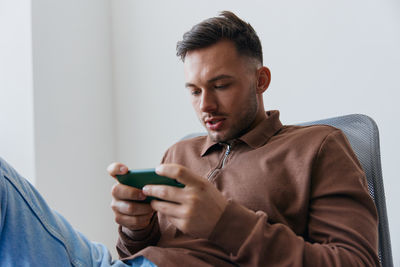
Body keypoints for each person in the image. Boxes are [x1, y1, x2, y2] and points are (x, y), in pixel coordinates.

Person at [0, 11, 379, 267]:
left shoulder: (318, 147)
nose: (206, 105)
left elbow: (357, 262)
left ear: (260, 80)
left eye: (220, 85)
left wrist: (224, 221)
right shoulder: (181, 152)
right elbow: (140, 252)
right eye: (194, 91)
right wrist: (137, 227)